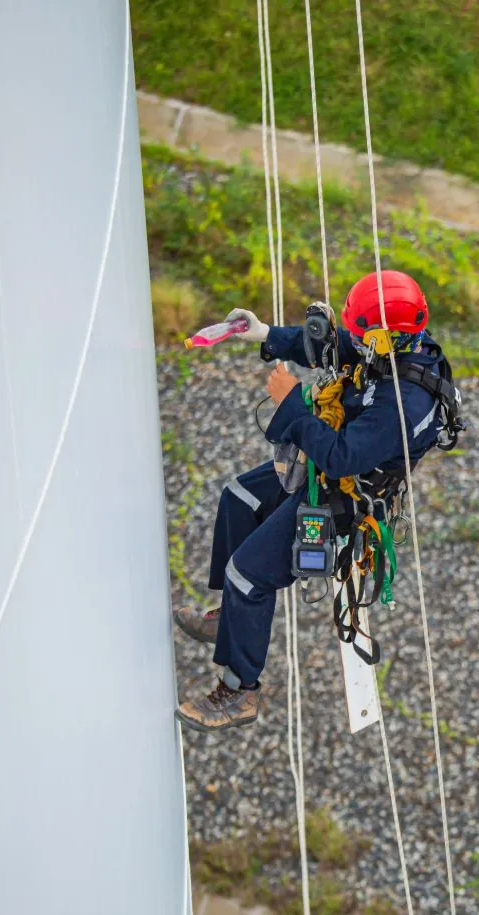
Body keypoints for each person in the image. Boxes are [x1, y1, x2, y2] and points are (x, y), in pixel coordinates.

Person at [173, 270, 455, 732]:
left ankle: (239, 691)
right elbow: (338, 346)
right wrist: (264, 333)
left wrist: (292, 407)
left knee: (248, 574)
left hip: (342, 495)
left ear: (387, 340)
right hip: (323, 464)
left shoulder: (404, 405)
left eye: (366, 335)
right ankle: (231, 617)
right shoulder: (393, 347)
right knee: (238, 498)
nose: (357, 342)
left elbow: (342, 458)